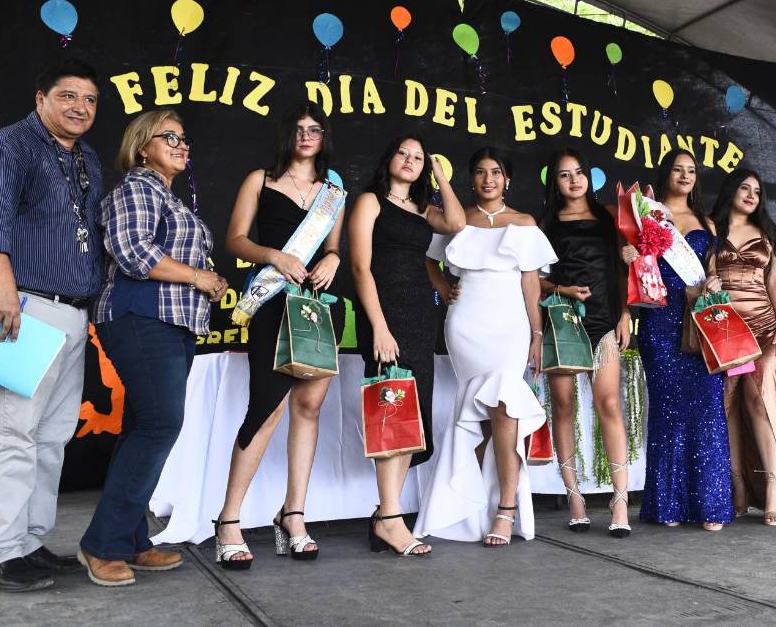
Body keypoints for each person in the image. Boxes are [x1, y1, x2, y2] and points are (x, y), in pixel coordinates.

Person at [0, 57, 104, 592]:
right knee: (14, 432)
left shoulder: (87, 156)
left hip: (72, 310)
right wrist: (1, 287)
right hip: (24, 304)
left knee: (52, 437)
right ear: (41, 98)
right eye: (68, 96)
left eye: (89, 100)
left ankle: (28, 542)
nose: (79, 108)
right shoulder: (10, 146)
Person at [78, 110, 225, 586]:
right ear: (143, 146)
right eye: (171, 137)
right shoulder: (136, 188)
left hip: (171, 321)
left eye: (185, 139)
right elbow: (134, 252)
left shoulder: (166, 196)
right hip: (140, 315)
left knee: (143, 424)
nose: (183, 145)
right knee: (161, 422)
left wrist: (209, 280)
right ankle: (101, 545)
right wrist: (199, 276)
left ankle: (133, 540)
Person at [214, 104, 346, 567]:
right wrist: (274, 256)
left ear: (324, 137)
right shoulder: (260, 180)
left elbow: (332, 246)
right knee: (266, 409)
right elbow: (233, 239)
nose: (306, 135)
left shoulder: (333, 193)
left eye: (315, 130)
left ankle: (293, 515)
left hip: (316, 306)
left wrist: (332, 259)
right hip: (273, 303)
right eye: (298, 128)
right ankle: (228, 520)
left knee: (309, 408)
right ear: (285, 135)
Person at [415, 147, 555, 546]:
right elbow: (428, 260)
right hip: (465, 326)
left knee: (505, 409)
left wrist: (537, 333)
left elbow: (531, 282)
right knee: (474, 415)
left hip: (509, 325)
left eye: (496, 172)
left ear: (507, 179)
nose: (488, 179)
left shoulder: (524, 223)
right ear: (471, 179)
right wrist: (443, 287)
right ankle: (467, 507)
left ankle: (505, 510)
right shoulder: (458, 221)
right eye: (480, 172)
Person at [348, 135, 464, 557]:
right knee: (391, 413)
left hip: (419, 318)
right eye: (404, 153)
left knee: (408, 421)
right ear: (389, 157)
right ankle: (392, 520)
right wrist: (378, 327)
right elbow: (360, 267)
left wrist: (439, 175)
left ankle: (387, 516)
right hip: (386, 317)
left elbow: (456, 223)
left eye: (418, 157)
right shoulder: (370, 202)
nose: (411, 161)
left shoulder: (421, 209)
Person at [623, 150, 732, 530]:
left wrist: (716, 281)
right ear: (665, 173)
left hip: (699, 321)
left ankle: (711, 505)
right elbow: (635, 270)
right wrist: (630, 256)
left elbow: (714, 270)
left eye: (691, 171)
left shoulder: (707, 222)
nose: (685, 176)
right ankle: (668, 505)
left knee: (707, 408)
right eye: (677, 169)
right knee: (668, 412)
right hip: (659, 320)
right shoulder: (644, 214)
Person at [538, 148, 633, 536]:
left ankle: (620, 500)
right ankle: (574, 496)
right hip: (562, 320)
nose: (574, 180)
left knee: (609, 402)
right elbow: (534, 280)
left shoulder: (610, 216)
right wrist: (561, 288)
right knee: (563, 405)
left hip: (604, 321)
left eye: (579, 172)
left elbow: (626, 269)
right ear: (555, 184)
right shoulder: (546, 223)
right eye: (564, 175)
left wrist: (626, 313)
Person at [705, 168, 776, 526]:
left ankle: (773, 486)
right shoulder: (711, 228)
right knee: (728, 407)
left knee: (760, 400)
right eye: (745, 188)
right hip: (725, 330)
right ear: (731, 191)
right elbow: (703, 272)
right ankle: (737, 485)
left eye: (757, 191)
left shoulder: (766, 232)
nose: (752, 195)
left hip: (765, 328)